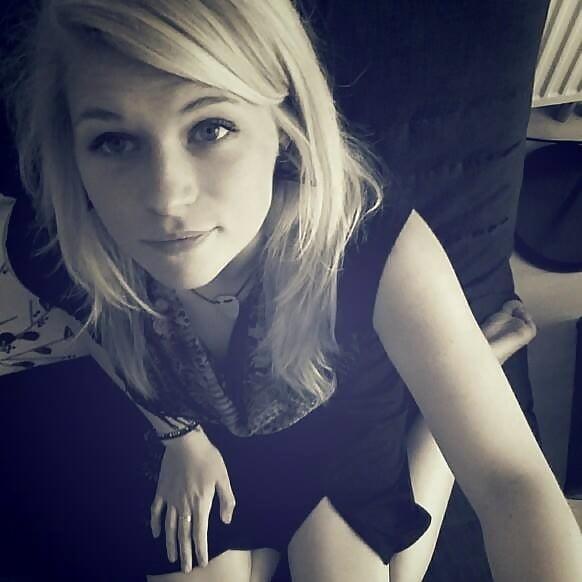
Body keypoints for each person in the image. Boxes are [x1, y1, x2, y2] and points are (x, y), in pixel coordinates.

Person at [0, 1, 580, 580]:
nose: (166, 198)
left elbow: (511, 480)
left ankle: (441, 413)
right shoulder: (62, 243)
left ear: (282, 123)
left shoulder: (369, 243)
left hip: (339, 441)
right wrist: (180, 437)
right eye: (113, 142)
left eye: (210, 128)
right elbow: (104, 336)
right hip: (205, 443)